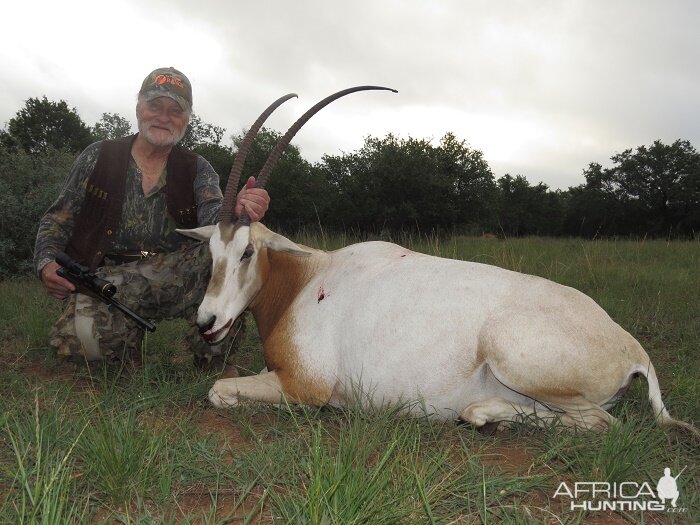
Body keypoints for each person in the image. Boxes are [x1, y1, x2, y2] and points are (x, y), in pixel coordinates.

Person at [34, 67, 269, 371]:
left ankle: (212, 360)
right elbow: (56, 220)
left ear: (187, 118)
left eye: (175, 110)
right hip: (104, 279)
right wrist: (46, 264)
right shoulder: (98, 156)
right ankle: (125, 342)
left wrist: (237, 212)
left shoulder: (199, 169)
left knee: (229, 260)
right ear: (139, 108)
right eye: (154, 106)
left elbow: (215, 221)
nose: (163, 116)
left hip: (177, 277)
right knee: (83, 349)